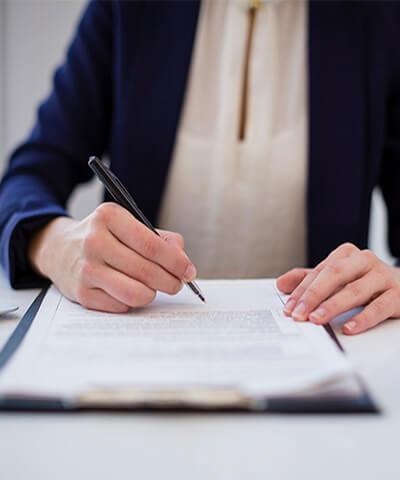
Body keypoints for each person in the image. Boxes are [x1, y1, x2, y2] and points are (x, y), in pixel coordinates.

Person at [1, 0, 400, 336]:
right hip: (138, 350)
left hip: (322, 367)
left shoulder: (382, 16)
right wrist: (54, 245)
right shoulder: (129, 9)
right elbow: (28, 176)